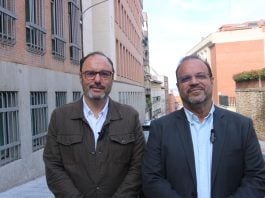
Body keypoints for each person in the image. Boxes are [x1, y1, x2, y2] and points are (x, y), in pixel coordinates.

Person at [142, 55, 265, 198]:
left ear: (211, 81)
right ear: (178, 86)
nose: (194, 82)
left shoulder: (242, 126)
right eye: (186, 79)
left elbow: (256, 178)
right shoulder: (161, 128)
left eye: (200, 76)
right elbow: (151, 179)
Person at [43, 51, 145, 198]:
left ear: (112, 78)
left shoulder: (130, 117)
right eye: (90, 73)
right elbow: (53, 166)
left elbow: (138, 167)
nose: (97, 80)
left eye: (104, 74)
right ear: (80, 77)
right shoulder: (60, 117)